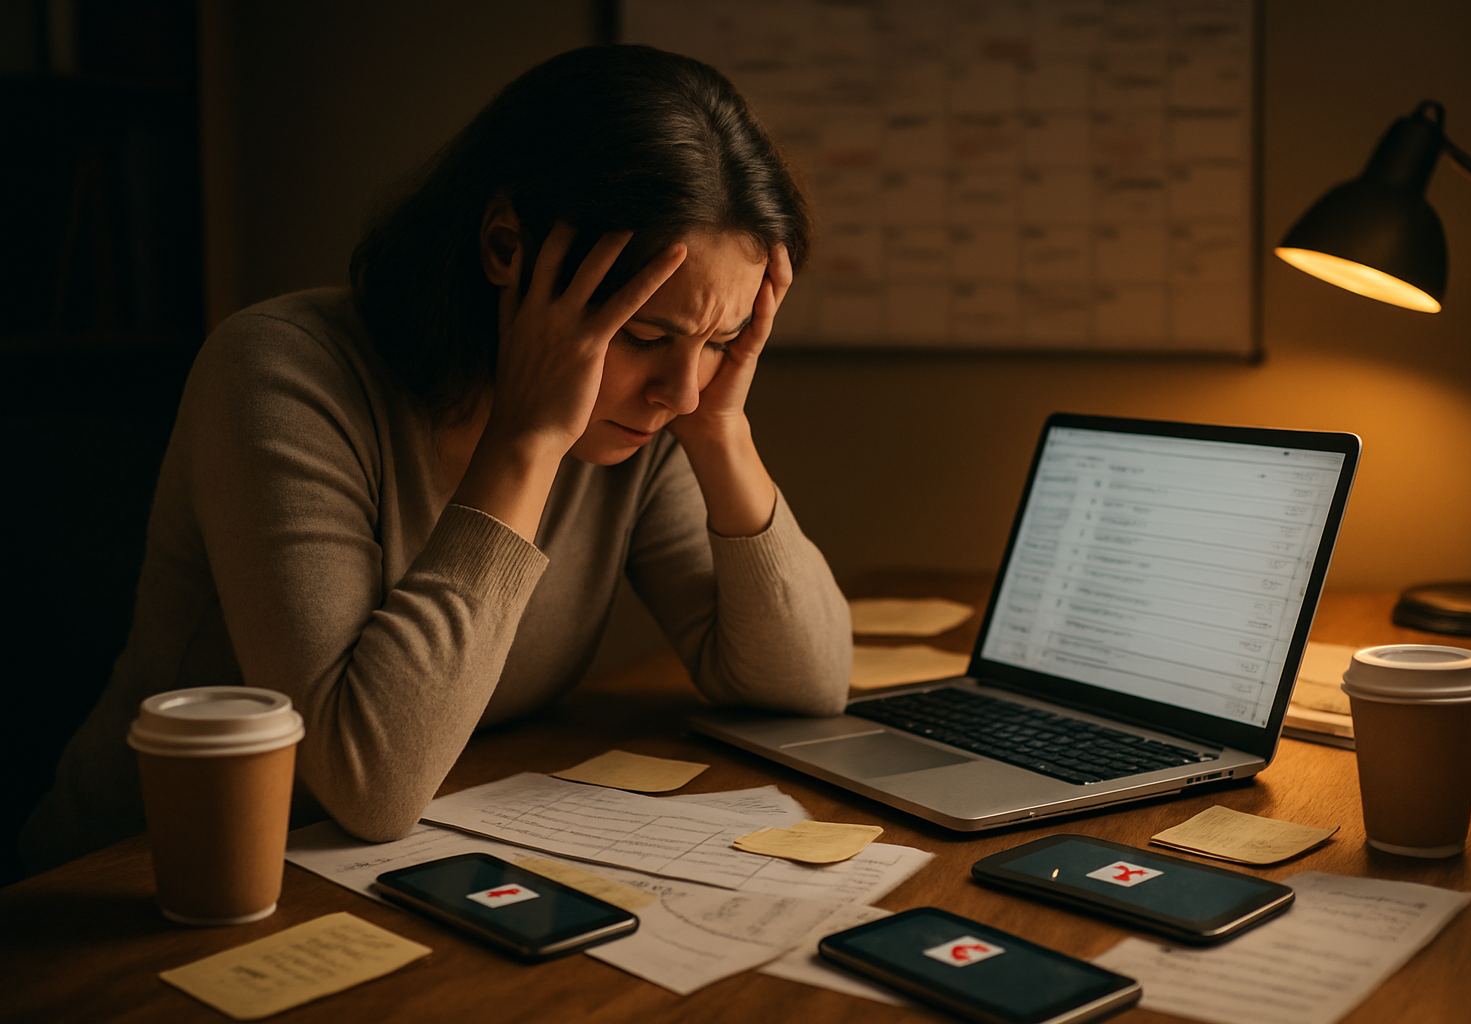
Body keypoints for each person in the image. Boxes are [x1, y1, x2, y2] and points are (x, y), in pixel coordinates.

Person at [20, 45, 851, 873]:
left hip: (382, 864)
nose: (681, 387)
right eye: (644, 336)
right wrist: (525, 445)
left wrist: (723, 433)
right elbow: (367, 782)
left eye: (722, 340)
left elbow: (805, 685)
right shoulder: (279, 373)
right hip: (139, 883)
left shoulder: (650, 420)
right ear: (504, 247)